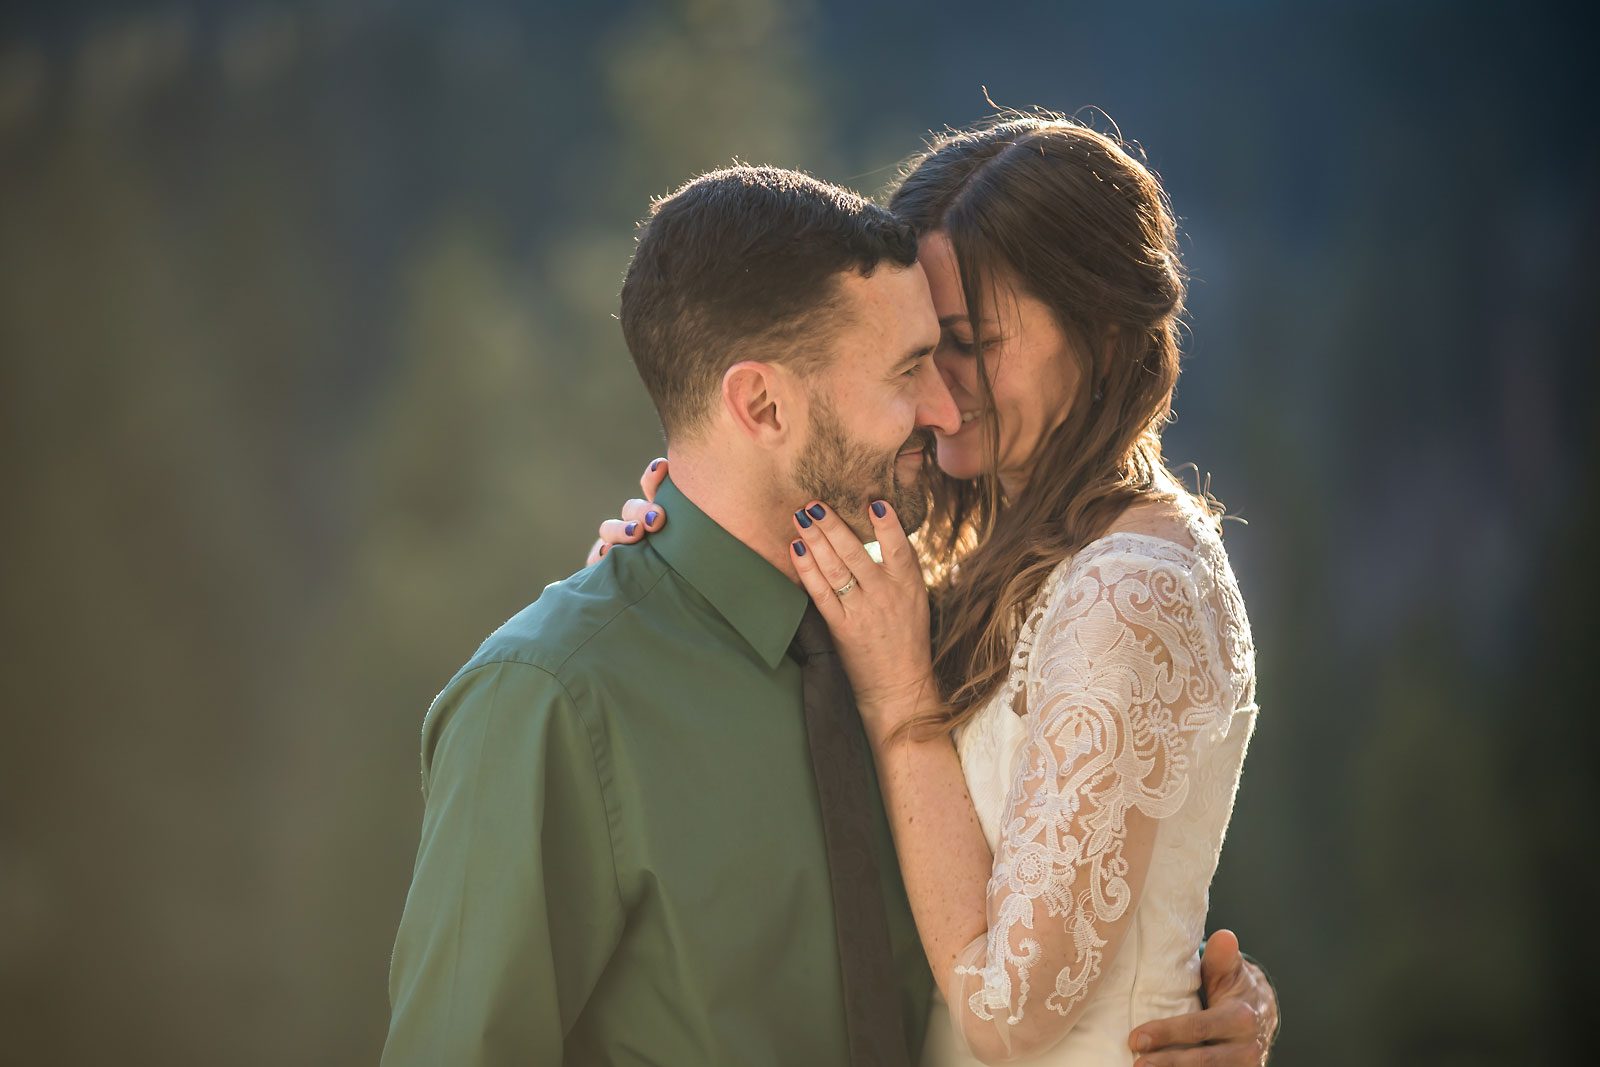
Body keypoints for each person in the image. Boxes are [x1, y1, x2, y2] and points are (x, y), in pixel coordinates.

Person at [384, 163, 1274, 1066]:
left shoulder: (907, 640)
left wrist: (1201, 992)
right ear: (762, 404)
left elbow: (1067, 891)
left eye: (961, 347)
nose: (943, 406)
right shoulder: (552, 700)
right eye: (912, 365)